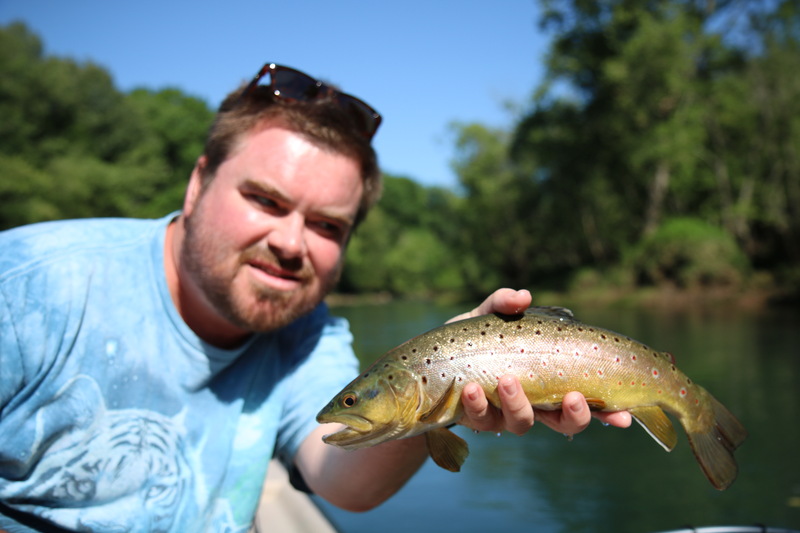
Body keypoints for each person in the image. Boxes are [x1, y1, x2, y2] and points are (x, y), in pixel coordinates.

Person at [0, 62, 630, 532]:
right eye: (266, 201)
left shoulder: (305, 329)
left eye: (328, 226)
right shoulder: (25, 289)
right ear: (198, 184)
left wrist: (447, 393)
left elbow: (342, 482)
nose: (292, 242)